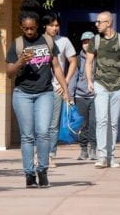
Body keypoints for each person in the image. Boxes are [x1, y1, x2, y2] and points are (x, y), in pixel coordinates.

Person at [6, 1, 70, 188]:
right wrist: (20, 62)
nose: (29, 32)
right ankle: (28, 174)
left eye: (32, 28)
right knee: (27, 137)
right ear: (21, 27)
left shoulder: (48, 41)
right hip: (22, 94)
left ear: (38, 27)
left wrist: (66, 90)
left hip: (45, 93)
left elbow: (56, 67)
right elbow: (9, 72)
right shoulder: (17, 44)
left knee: (43, 133)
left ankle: (42, 171)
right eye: (25, 29)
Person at [86, 11, 120, 168]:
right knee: (102, 120)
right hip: (100, 84)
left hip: (118, 85)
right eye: (96, 22)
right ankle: (101, 157)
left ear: (108, 23)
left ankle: (111, 156)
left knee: (113, 122)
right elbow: (89, 62)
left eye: (99, 22)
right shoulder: (95, 41)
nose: (96, 24)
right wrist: (89, 81)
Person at [42, 12, 78, 168]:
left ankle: (50, 155)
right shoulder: (38, 41)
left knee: (53, 124)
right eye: (52, 25)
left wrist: (66, 83)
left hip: (56, 89)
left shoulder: (64, 41)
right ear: (45, 25)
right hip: (40, 88)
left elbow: (73, 61)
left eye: (57, 25)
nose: (55, 28)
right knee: (40, 124)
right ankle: (39, 153)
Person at [69, 31, 97, 161]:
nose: (86, 45)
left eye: (89, 42)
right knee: (83, 124)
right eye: (84, 42)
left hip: (95, 97)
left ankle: (93, 149)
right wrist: (70, 96)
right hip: (80, 96)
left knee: (94, 123)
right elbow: (74, 77)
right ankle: (83, 149)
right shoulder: (78, 59)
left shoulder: (99, 59)